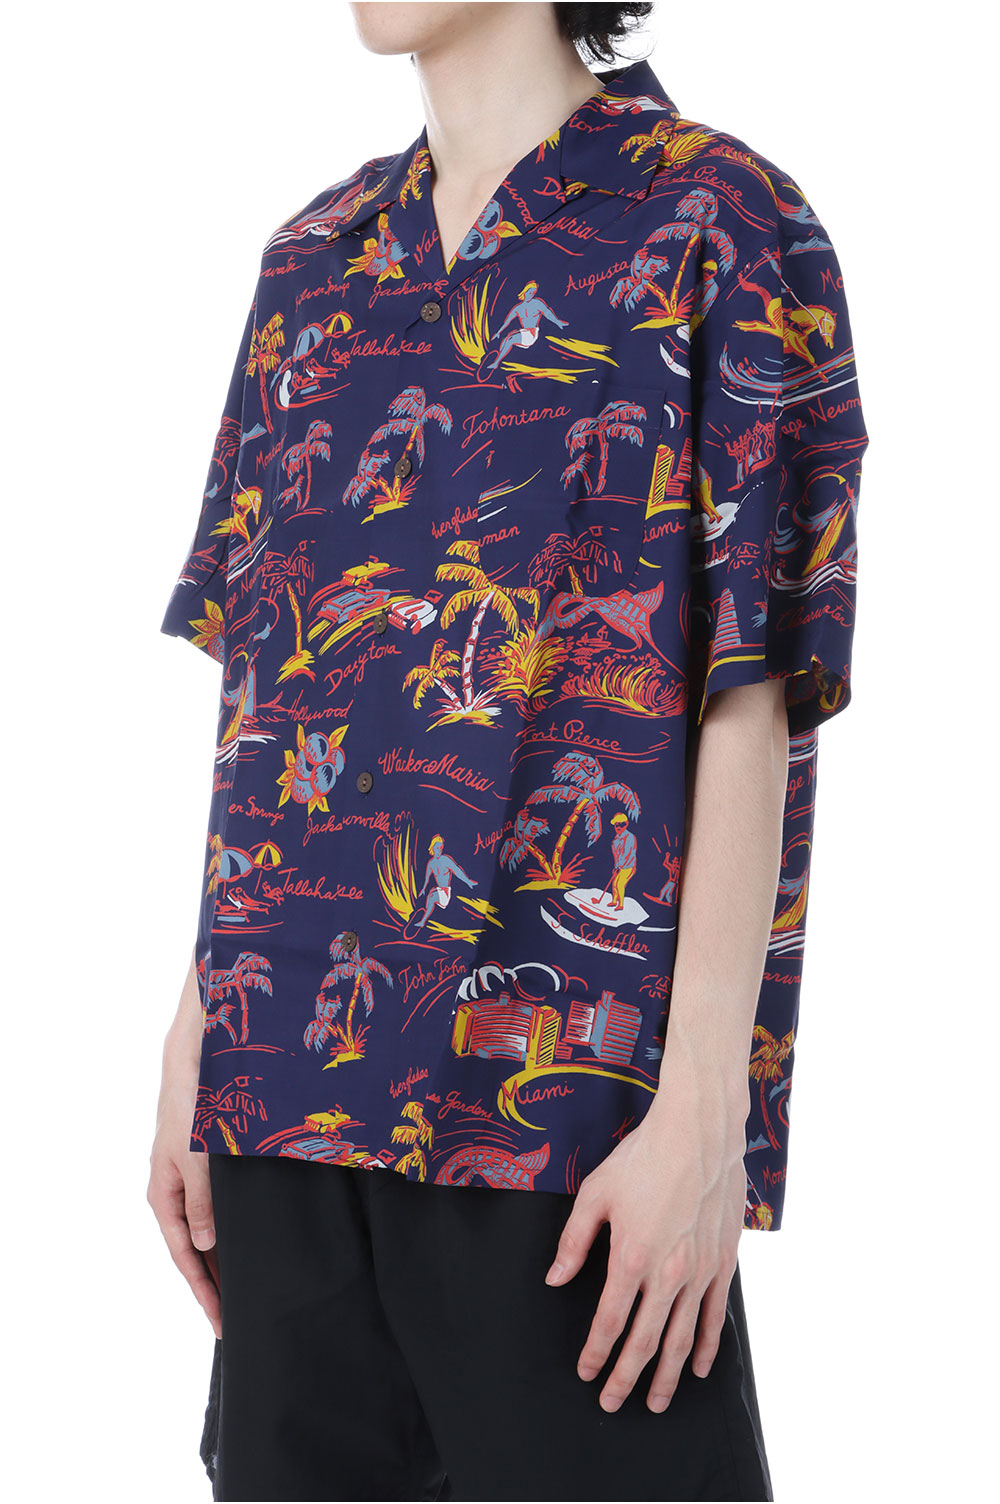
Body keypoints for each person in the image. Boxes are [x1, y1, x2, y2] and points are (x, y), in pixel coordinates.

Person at [147, 3, 869, 1499]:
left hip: (565, 1126)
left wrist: (706, 1110)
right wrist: (197, 1030)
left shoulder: (717, 221)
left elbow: (752, 689)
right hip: (287, 1103)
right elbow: (272, 697)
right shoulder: (313, 265)